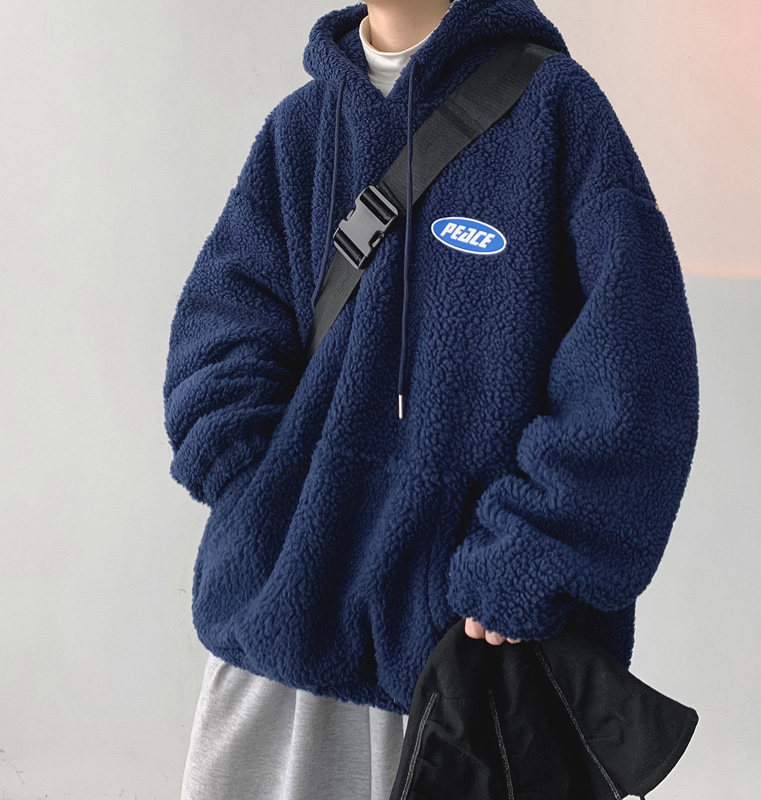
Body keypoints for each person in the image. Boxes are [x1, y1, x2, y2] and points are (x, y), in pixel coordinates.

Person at [163, 0, 700, 798]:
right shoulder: (300, 131)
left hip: (466, 667)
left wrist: (532, 560)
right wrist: (262, 498)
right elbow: (217, 338)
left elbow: (634, 374)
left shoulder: (557, 112)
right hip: (281, 642)